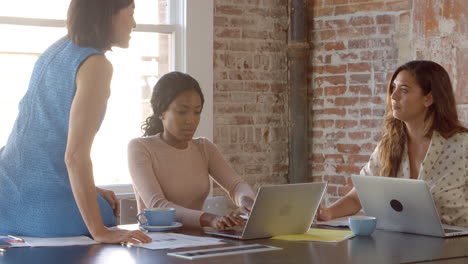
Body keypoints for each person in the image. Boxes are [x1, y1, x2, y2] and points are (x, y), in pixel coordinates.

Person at [0, 0, 151, 244]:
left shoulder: (55, 51)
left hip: (5, 201)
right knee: (106, 213)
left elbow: (31, 143)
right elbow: (75, 156)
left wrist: (89, 189)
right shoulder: (96, 64)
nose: (134, 23)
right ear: (108, 13)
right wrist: (100, 231)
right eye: (131, 12)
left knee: (102, 201)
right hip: (41, 210)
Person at [318, 60, 468, 227]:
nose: (393, 96)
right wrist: (327, 213)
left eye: (404, 90)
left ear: (429, 98)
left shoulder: (462, 146)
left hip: (456, 247)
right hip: (399, 246)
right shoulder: (389, 145)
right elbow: (358, 196)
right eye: (393, 88)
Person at [128, 71, 256, 230]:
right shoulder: (140, 148)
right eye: (182, 112)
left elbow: (236, 185)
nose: (191, 120)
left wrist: (246, 201)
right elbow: (157, 204)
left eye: (197, 112)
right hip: (156, 244)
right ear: (161, 111)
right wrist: (209, 219)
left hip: (198, 240)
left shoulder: (204, 148)